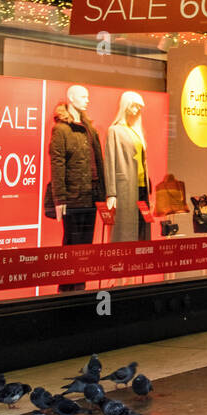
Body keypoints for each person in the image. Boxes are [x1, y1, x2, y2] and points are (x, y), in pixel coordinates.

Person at [48, 84, 105, 291]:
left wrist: (105, 194)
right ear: (71, 99)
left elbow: (99, 161)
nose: (87, 100)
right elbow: (57, 164)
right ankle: (66, 291)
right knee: (71, 245)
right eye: (83, 96)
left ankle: (80, 289)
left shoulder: (89, 128)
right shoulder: (61, 129)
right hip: (72, 198)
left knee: (86, 248)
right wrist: (59, 199)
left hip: (90, 197)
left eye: (87, 96)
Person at [104, 92, 152, 242]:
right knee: (125, 229)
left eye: (139, 107)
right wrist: (111, 193)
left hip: (141, 186)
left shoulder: (136, 131)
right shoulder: (115, 130)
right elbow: (110, 161)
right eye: (135, 106)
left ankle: (142, 258)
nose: (138, 110)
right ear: (126, 104)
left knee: (142, 226)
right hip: (125, 186)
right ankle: (121, 259)